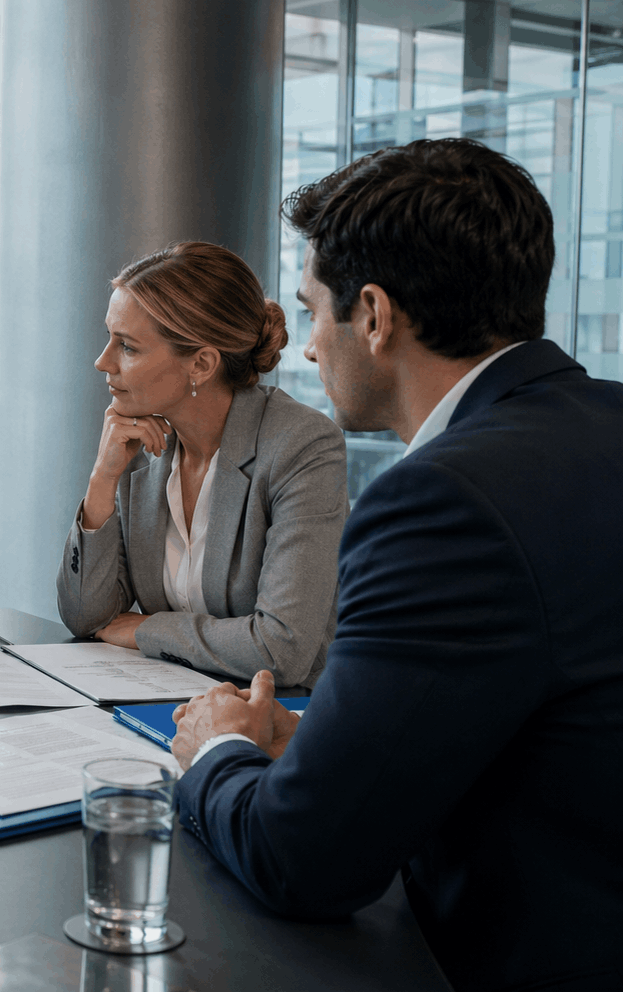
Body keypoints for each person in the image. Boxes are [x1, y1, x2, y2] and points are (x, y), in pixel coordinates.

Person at [168, 138, 623, 991]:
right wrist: (339, 742)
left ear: (373, 315)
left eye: (312, 311)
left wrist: (215, 752)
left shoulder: (446, 500)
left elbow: (303, 862)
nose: (306, 348)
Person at [57, 242, 347, 687]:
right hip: (163, 700)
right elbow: (86, 617)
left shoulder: (301, 445)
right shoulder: (143, 446)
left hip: (278, 723)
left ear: (202, 364)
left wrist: (146, 628)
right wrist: (103, 477)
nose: (102, 362)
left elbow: (281, 649)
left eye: (128, 347)